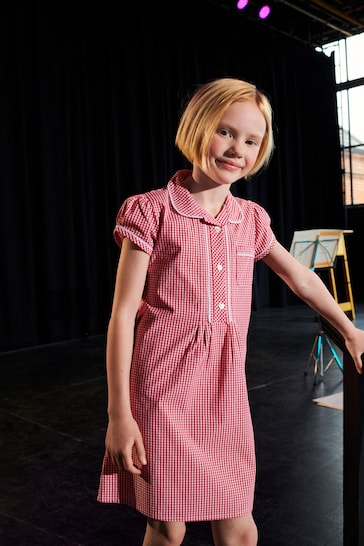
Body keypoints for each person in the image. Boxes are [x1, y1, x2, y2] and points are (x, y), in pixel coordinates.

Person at [97, 77, 364, 546]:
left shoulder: (251, 220)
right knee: (168, 527)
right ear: (197, 127)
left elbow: (298, 276)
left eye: (250, 140)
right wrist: (120, 413)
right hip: (162, 392)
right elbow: (122, 316)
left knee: (239, 525)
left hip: (225, 393)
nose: (236, 147)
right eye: (225, 131)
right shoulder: (150, 211)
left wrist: (349, 328)